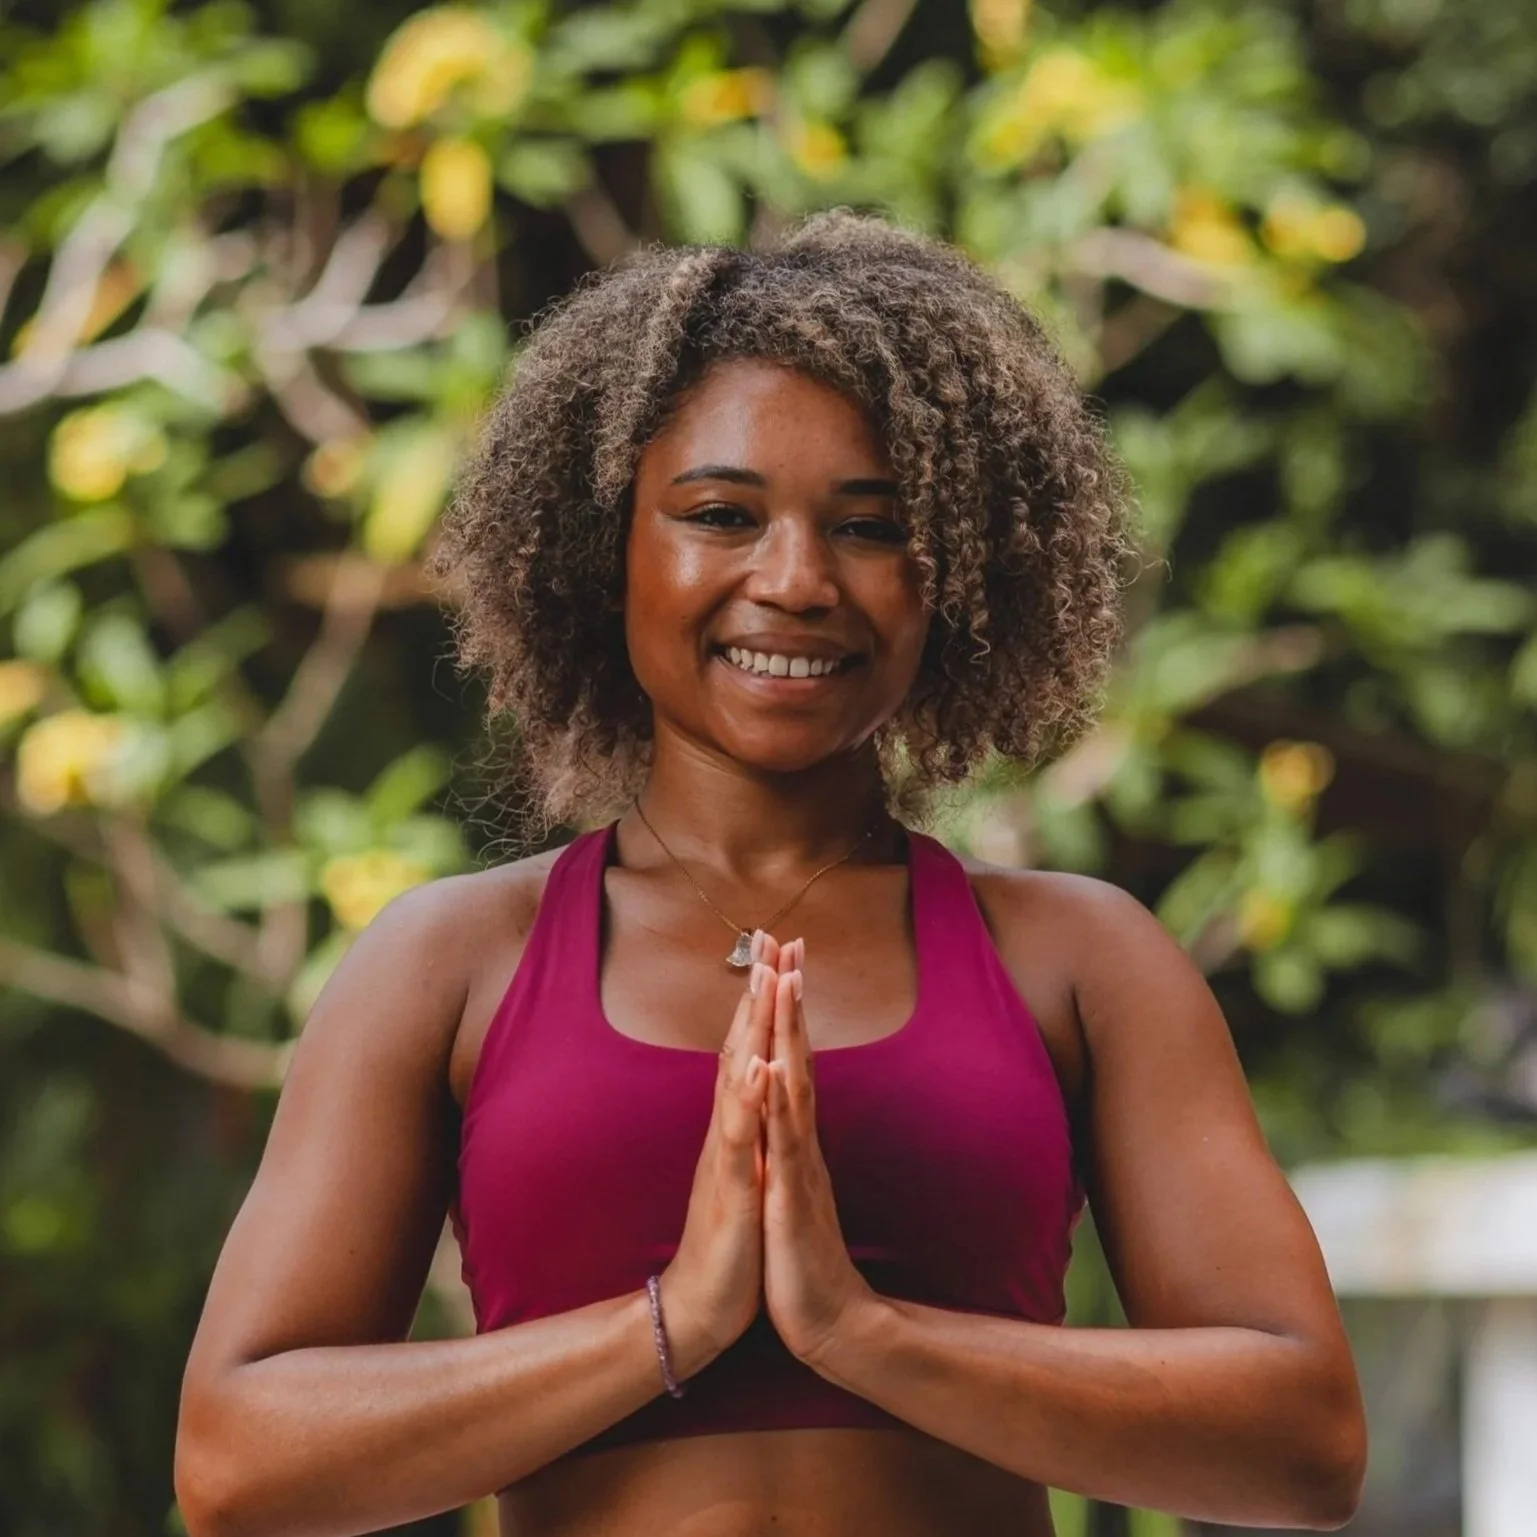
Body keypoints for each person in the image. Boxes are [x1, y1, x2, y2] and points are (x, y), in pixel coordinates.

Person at [174, 211, 1366, 1537]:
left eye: (872, 526)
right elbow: (239, 1464)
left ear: (957, 576)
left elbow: (1302, 1442)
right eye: (720, 515)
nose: (795, 581)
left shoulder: (1081, 962)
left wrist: (860, 1332)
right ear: (602, 547)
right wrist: (675, 1318)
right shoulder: (449, 965)